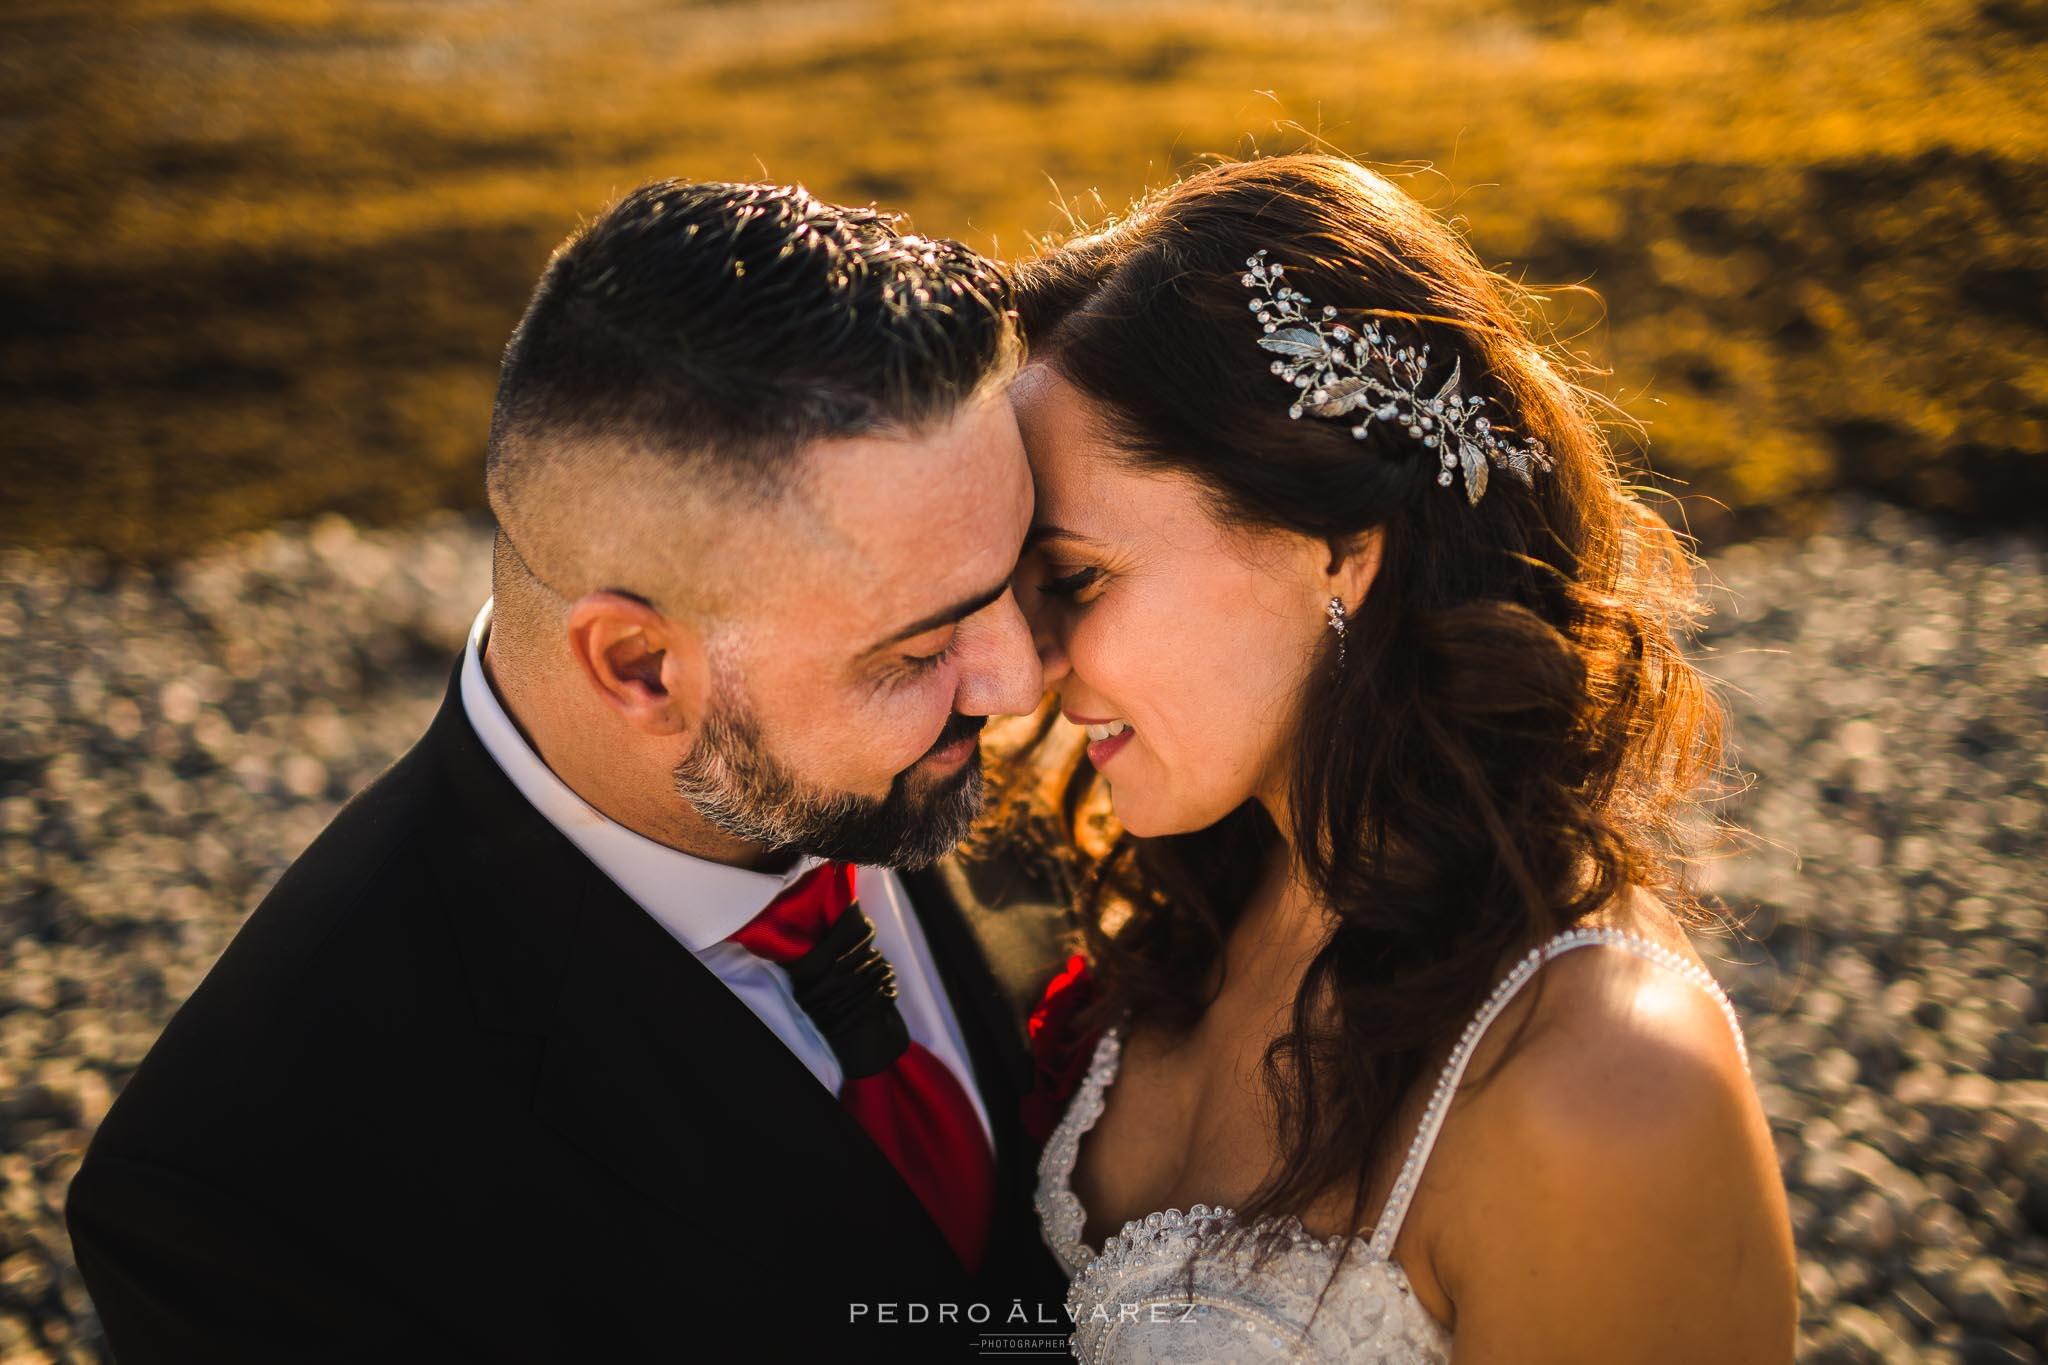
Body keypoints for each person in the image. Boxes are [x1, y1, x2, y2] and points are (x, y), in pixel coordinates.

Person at [66, 180, 1074, 1360]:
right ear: (640, 665)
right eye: (920, 646)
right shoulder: (254, 1195)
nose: (1022, 682)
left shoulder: (1088, 767)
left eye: (1022, 572)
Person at [1001, 155, 1800, 1362]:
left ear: (1337, 548)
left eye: (1072, 580)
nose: (1023, 667)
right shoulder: (1208, 893)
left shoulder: (1600, 1089)